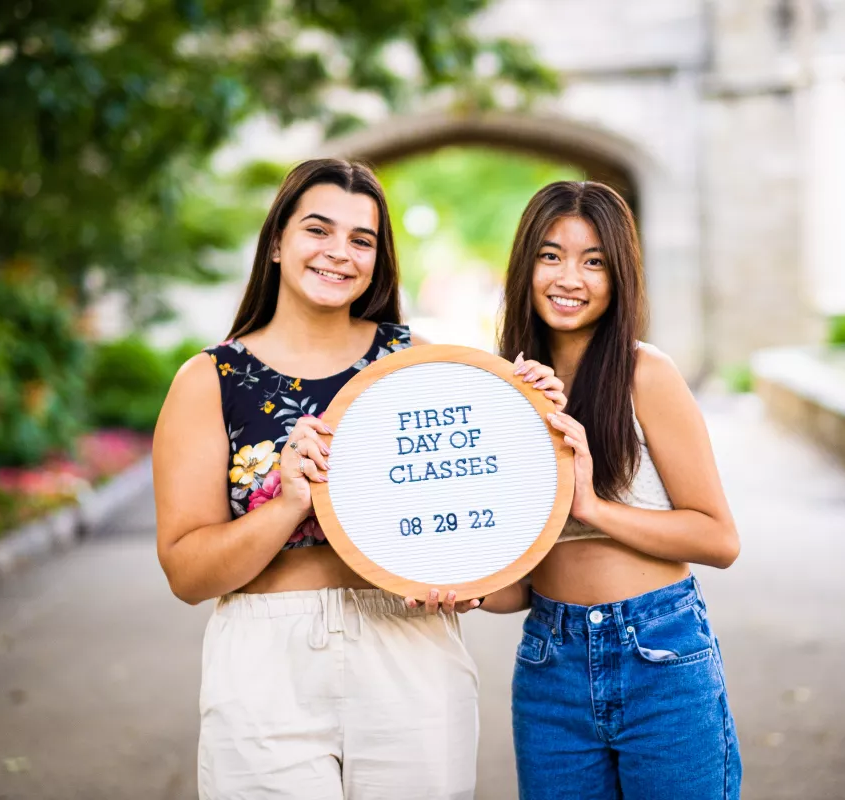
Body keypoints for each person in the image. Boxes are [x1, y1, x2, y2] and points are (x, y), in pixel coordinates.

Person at [152, 158, 564, 800]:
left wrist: (523, 413)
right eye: (319, 229)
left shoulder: (417, 363)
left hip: (411, 647)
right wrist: (286, 504)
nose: (339, 253)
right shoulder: (209, 380)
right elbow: (185, 573)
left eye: (362, 239)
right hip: (265, 659)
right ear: (277, 244)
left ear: (377, 259)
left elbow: (489, 515)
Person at [486, 180, 743, 799]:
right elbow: (514, 587)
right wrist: (457, 583)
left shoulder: (644, 373)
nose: (569, 277)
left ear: (618, 274)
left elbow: (718, 537)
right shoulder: (499, 390)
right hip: (551, 660)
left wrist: (593, 506)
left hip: (659, 653)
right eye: (550, 256)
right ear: (526, 267)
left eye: (593, 260)